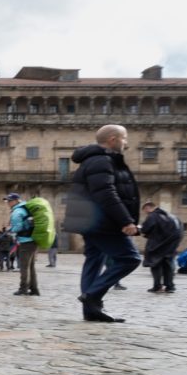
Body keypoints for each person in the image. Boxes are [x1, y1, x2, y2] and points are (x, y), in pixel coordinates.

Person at [69, 124, 142, 323]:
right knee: (130, 258)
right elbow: (106, 193)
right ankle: (92, 295)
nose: (126, 143)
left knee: (94, 260)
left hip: (92, 220)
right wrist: (126, 220)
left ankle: (91, 310)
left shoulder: (95, 160)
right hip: (102, 221)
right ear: (113, 139)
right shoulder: (102, 161)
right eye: (124, 138)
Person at [139, 202, 182, 293]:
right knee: (168, 265)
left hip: (157, 246)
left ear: (148, 208)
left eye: (145, 211)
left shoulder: (153, 216)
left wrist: (141, 229)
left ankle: (157, 286)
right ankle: (170, 286)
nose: (146, 213)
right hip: (171, 246)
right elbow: (180, 232)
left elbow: (145, 229)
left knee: (155, 265)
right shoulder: (173, 217)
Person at [7, 194, 39, 296]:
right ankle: (34, 289)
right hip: (33, 240)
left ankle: (23, 288)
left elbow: (18, 227)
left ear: (16, 201)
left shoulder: (17, 211)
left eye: (10, 201)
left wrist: (10, 230)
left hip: (25, 241)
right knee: (31, 266)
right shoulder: (25, 209)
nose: (8, 203)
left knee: (24, 267)